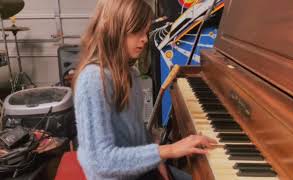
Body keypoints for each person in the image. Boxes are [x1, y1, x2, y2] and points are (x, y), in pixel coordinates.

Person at [73, 0, 217, 179]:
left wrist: (157, 161)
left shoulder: (130, 73)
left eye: (145, 32)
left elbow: (137, 132)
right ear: (113, 30)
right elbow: (99, 161)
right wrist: (169, 150)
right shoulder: (93, 79)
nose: (144, 39)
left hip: (138, 169)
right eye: (137, 32)